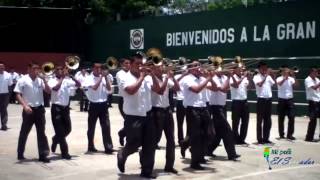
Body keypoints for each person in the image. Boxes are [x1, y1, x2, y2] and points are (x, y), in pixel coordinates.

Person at [117, 53, 160, 179]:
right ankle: (122, 154)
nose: (141, 66)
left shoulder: (147, 77)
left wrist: (152, 75)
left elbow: (158, 90)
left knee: (150, 145)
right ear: (130, 64)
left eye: (142, 64)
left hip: (147, 115)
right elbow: (130, 90)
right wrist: (142, 77)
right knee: (133, 144)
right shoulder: (125, 77)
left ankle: (146, 171)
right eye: (137, 64)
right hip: (133, 117)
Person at [14, 62, 51, 162]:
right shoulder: (23, 80)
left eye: (38, 69)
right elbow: (17, 94)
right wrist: (25, 106)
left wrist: (45, 81)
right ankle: (20, 153)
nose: (37, 71)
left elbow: (48, 91)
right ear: (28, 69)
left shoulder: (40, 80)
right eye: (34, 69)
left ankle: (43, 155)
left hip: (39, 109)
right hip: (28, 109)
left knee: (41, 133)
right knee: (24, 132)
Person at [181, 61, 213, 170]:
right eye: (195, 66)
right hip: (192, 109)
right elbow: (196, 90)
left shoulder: (202, 78)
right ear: (189, 69)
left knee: (209, 133)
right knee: (196, 137)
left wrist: (210, 77)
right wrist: (208, 78)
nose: (198, 67)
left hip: (203, 108)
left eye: (199, 65)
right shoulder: (187, 79)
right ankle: (195, 162)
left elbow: (213, 88)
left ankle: (187, 145)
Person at [151, 64, 179, 174]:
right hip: (156, 111)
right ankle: (145, 157)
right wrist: (167, 78)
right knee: (155, 139)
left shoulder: (164, 77)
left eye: (161, 66)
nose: (161, 68)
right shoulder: (150, 78)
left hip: (167, 110)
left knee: (171, 139)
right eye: (158, 67)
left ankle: (169, 165)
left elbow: (177, 88)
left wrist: (174, 78)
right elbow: (161, 91)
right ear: (153, 68)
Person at [48, 65, 81, 159]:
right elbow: (55, 88)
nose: (60, 71)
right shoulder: (52, 80)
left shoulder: (67, 80)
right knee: (60, 131)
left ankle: (55, 139)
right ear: (55, 72)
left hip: (65, 108)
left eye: (61, 69)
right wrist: (62, 78)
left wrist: (71, 76)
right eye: (58, 70)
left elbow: (78, 85)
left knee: (68, 129)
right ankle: (65, 152)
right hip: (56, 108)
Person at [207, 67, 240, 161]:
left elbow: (234, 86)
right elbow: (221, 88)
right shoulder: (211, 78)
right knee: (227, 131)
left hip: (222, 107)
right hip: (215, 107)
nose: (221, 71)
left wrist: (230, 76)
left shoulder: (225, 78)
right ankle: (232, 154)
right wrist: (228, 78)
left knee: (218, 133)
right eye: (219, 70)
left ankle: (208, 149)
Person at [83, 63, 114, 154]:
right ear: (93, 69)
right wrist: (101, 77)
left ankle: (108, 147)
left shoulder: (104, 77)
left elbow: (109, 89)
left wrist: (106, 78)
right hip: (93, 105)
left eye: (100, 68)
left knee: (106, 126)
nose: (99, 70)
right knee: (91, 127)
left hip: (103, 105)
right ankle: (90, 146)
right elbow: (94, 88)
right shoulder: (88, 78)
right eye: (96, 68)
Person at [253, 62, 275, 144]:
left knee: (268, 120)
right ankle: (260, 139)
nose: (265, 70)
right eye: (263, 68)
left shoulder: (268, 76)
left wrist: (272, 75)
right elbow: (260, 84)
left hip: (268, 99)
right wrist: (266, 76)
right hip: (261, 100)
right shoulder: (256, 77)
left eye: (266, 68)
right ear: (259, 69)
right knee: (260, 120)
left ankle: (266, 138)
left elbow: (273, 84)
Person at [230, 66, 250, 145]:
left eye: (241, 69)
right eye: (238, 69)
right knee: (236, 122)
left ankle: (242, 139)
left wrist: (250, 78)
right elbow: (236, 85)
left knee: (245, 122)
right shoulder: (232, 77)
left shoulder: (244, 78)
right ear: (234, 70)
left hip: (244, 101)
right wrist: (244, 77)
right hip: (236, 102)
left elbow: (250, 87)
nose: (240, 70)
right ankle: (235, 139)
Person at [276, 67, 297, 140]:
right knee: (281, 118)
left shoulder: (291, 79)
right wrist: (285, 78)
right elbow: (279, 84)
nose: (286, 73)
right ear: (282, 72)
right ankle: (281, 134)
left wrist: (294, 76)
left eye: (287, 72)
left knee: (292, 117)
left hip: (290, 100)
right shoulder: (279, 78)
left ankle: (290, 134)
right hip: (281, 100)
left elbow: (296, 86)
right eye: (285, 72)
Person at [115, 58, 130, 146]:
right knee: (128, 120)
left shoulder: (131, 73)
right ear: (121, 65)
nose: (128, 65)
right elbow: (125, 83)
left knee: (130, 121)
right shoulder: (119, 73)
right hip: (123, 99)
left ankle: (122, 133)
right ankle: (129, 141)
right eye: (126, 63)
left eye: (129, 63)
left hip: (131, 98)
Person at [304, 67, 320, 142]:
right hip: (312, 102)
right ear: (311, 72)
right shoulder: (307, 79)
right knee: (313, 120)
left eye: (317, 72)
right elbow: (314, 87)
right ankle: (309, 137)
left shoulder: (317, 79)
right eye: (315, 72)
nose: (317, 73)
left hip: (318, 101)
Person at [174, 71, 188, 146]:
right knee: (180, 123)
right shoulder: (177, 76)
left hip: (188, 101)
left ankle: (187, 140)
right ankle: (180, 140)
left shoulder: (190, 77)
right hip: (180, 100)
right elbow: (174, 82)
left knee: (189, 123)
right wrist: (183, 75)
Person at [0, 62, 13, 131]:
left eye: (2, 67)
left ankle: (4, 125)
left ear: (4, 67)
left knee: (4, 110)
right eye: (0, 67)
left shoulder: (8, 75)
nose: (1, 68)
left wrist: (9, 95)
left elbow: (10, 85)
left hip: (5, 95)